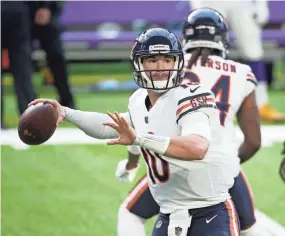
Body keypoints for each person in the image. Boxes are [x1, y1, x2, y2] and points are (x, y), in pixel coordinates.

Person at [29, 27, 239, 236]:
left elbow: (197, 147)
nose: (161, 67)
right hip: (168, 213)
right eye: (152, 59)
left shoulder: (192, 95)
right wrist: (66, 112)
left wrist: (138, 139)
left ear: (177, 62)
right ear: (139, 63)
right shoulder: (139, 100)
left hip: (210, 210)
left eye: (167, 59)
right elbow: (109, 127)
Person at [116, 8, 266, 236]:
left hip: (178, 161)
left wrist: (132, 162)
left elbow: (142, 120)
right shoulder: (241, 73)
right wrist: (224, 163)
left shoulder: (167, 64)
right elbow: (253, 142)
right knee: (248, 228)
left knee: (130, 212)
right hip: (223, 166)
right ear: (223, 39)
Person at [188, 0, 285, 123]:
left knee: (252, 51)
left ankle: (261, 104)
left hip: (242, 3)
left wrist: (261, 5)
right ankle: (209, 105)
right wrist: (197, 5)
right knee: (211, 51)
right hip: (211, 3)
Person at [26, 1, 75, 108]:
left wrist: (45, 6)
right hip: (23, 11)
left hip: (49, 12)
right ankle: (29, 104)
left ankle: (67, 101)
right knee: (22, 60)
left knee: (57, 57)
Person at [1, 1, 37, 128]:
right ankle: (30, 118)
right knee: (22, 68)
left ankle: (30, 117)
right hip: (18, 8)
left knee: (23, 67)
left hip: (16, 9)